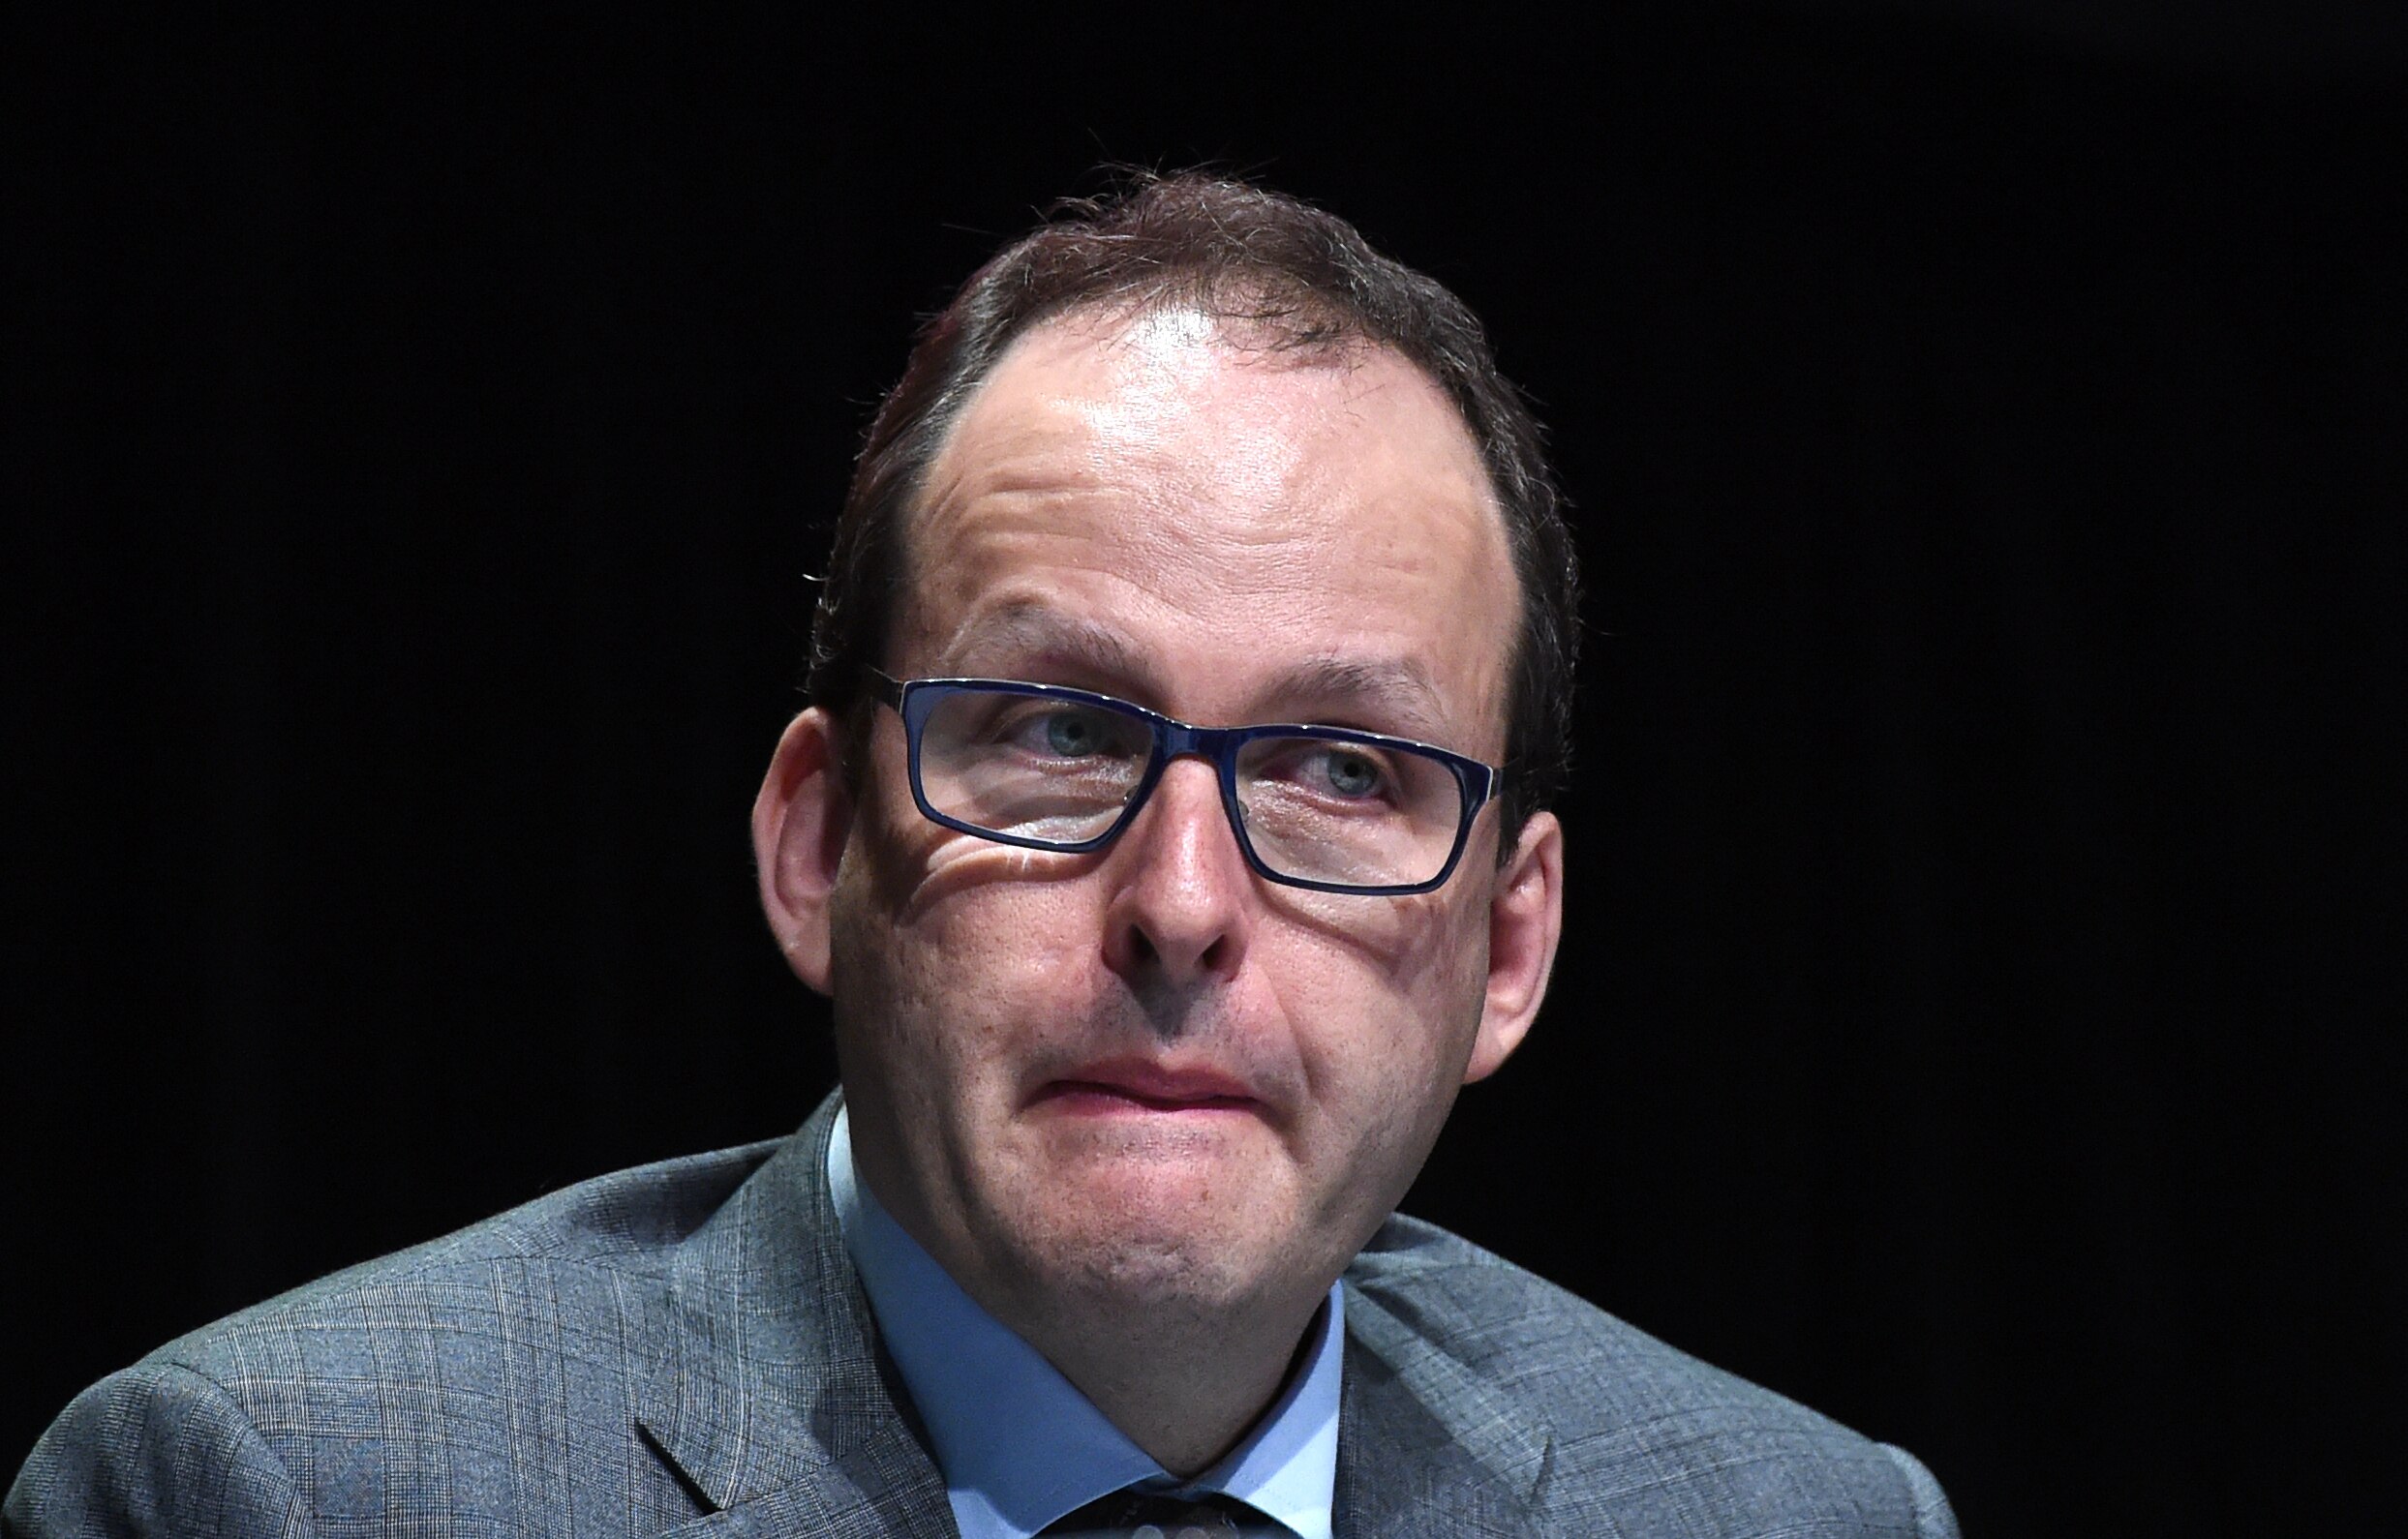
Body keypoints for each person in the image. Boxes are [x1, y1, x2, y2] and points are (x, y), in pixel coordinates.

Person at [8, 173, 1957, 1538]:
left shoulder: (1794, 1516)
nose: (1183, 905)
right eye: (1056, 734)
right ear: (811, 844)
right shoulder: (277, 1498)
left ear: (1506, 950)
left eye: (1340, 770)